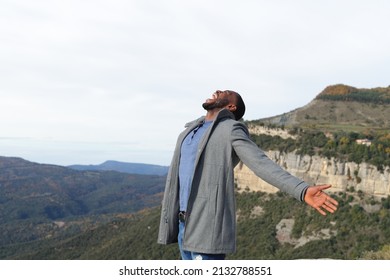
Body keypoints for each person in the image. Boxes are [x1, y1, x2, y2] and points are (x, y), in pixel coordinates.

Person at [157, 90, 338, 260]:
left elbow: (261, 164)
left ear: (231, 107)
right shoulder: (189, 131)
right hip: (182, 223)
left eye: (225, 93)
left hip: (206, 226)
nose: (218, 90)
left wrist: (302, 190)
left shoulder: (231, 129)